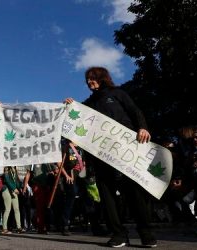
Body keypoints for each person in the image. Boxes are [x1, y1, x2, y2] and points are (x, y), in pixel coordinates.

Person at [65, 66, 156, 248]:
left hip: (126, 152)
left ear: (102, 78)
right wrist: (71, 105)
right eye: (87, 80)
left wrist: (143, 127)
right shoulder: (88, 104)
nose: (89, 82)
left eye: (92, 78)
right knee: (107, 194)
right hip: (101, 156)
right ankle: (118, 234)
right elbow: (78, 117)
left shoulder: (118, 93)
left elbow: (134, 110)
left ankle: (146, 233)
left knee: (134, 193)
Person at [1, 166, 23, 234]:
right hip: (6, 189)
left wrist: (20, 187)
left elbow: (16, 181)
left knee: (17, 209)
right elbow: (7, 180)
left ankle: (19, 227)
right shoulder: (6, 168)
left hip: (14, 190)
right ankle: (4, 229)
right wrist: (14, 188)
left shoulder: (15, 169)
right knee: (8, 209)